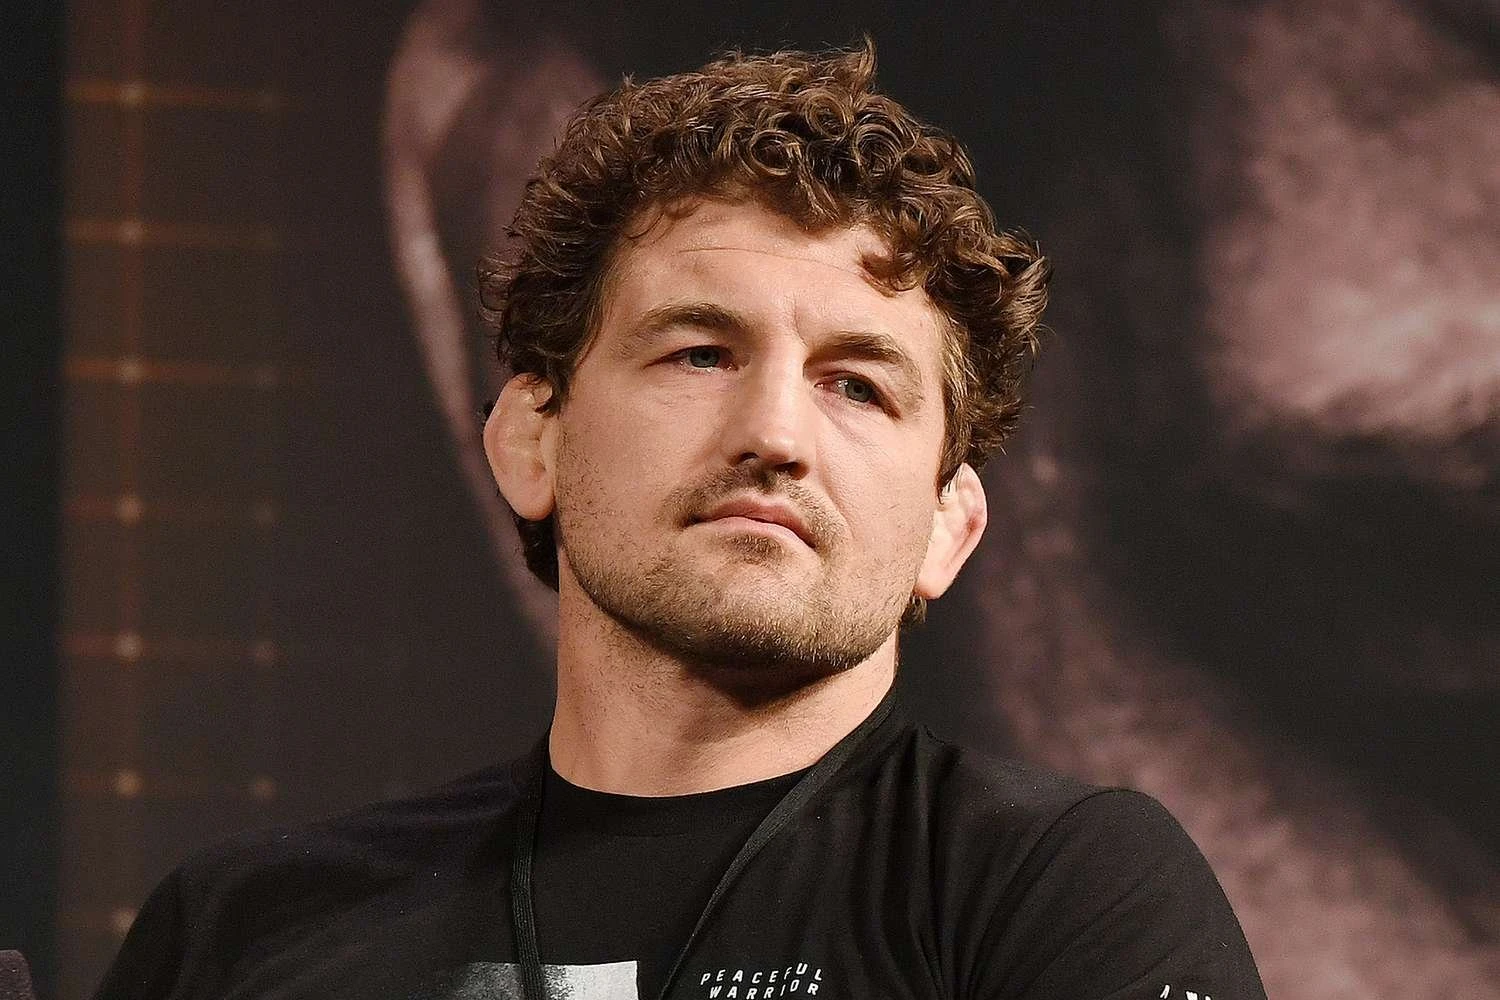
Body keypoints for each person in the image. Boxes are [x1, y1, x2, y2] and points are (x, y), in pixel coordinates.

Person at [97, 42, 1265, 1000]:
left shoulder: (1057, 891)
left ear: (947, 528)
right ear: (531, 441)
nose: (777, 433)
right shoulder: (248, 929)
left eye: (859, 385)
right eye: (701, 352)